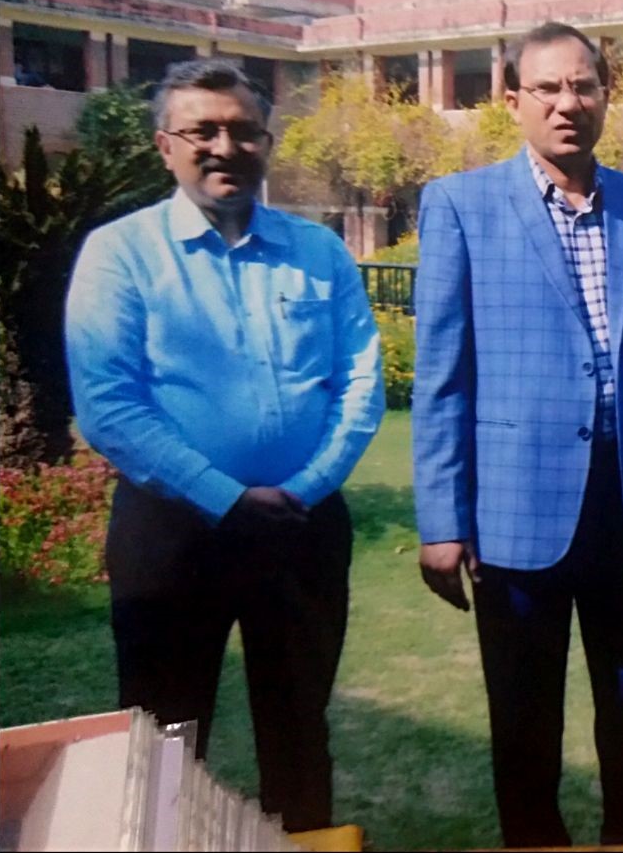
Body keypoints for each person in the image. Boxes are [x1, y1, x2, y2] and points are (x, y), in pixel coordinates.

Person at [65, 58, 385, 831]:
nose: (224, 147)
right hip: (173, 535)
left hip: (302, 529)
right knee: (166, 741)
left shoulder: (318, 251)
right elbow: (107, 405)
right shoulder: (120, 253)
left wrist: (305, 489)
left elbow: (360, 380)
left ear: (267, 142)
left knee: (300, 731)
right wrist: (224, 498)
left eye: (243, 131)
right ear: (164, 146)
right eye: (201, 130)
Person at [412, 21, 623, 847]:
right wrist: (441, 520)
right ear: (513, 101)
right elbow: (442, 376)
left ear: (606, 96)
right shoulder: (461, 206)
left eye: (583, 86)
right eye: (547, 88)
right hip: (515, 512)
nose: (566, 103)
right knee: (524, 725)